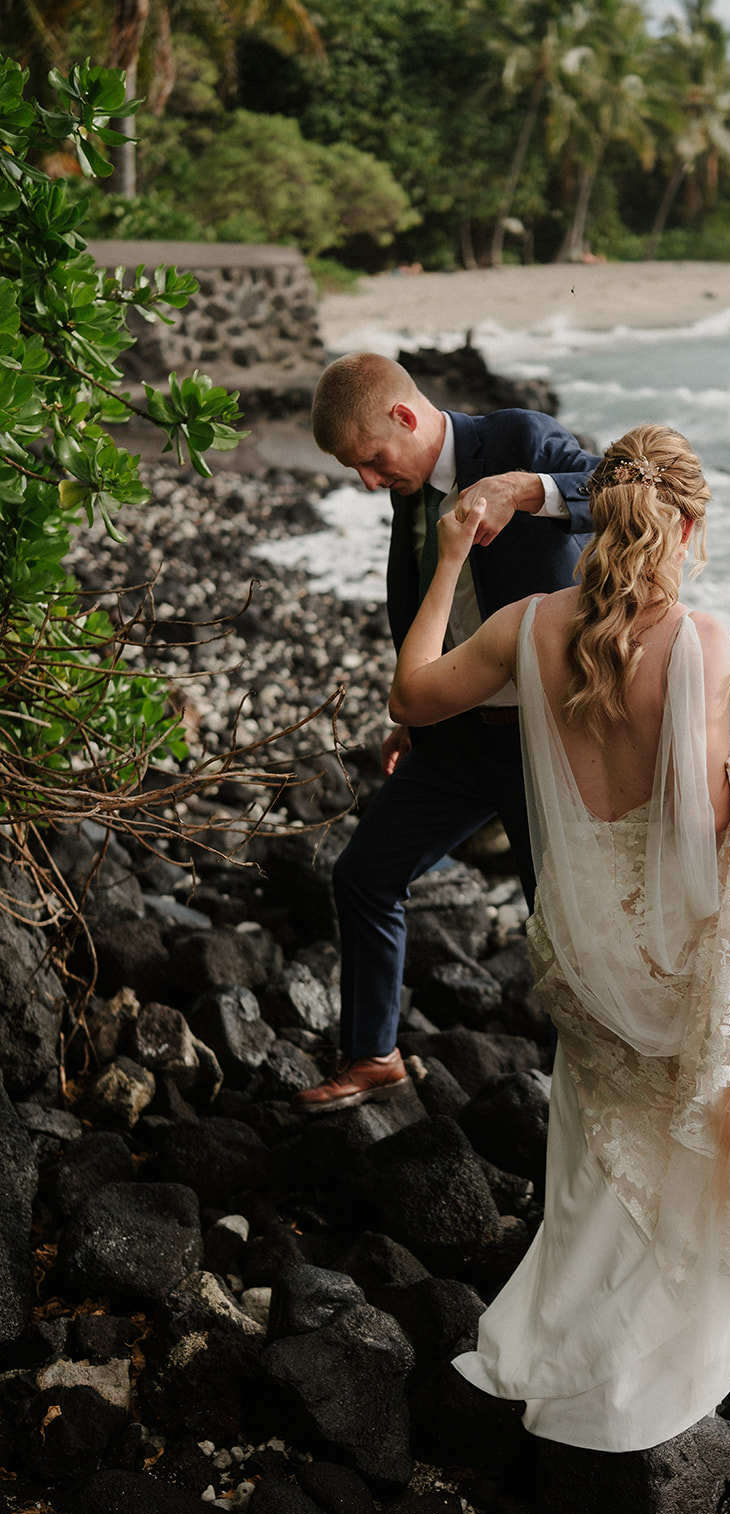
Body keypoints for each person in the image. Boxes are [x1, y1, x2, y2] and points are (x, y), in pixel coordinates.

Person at [389, 422, 730, 1452]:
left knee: (593, 1149)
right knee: (696, 1143)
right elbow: (705, 828)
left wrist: (451, 550)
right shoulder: (701, 642)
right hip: (674, 952)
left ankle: (546, 1341)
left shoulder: (523, 625)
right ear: (686, 528)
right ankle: (630, 1383)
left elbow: (407, 693)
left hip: (579, 946)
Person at [292, 353, 601, 1113]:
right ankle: (372, 1057)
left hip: (547, 744)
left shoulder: (517, 438)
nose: (367, 481)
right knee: (363, 874)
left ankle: (593, 1115)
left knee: (562, 938)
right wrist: (424, 718)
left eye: (370, 460)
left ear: (405, 417)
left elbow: (632, 492)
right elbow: (440, 604)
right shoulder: (409, 485)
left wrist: (528, 489)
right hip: (457, 738)